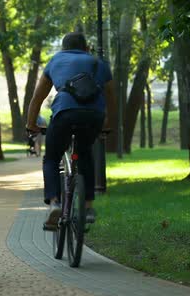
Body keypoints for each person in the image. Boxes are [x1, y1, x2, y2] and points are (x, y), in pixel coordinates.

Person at [26, 32, 117, 231]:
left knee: (51, 158)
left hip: (64, 113)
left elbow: (38, 96)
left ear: (63, 49)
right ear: (86, 48)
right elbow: (111, 96)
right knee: (84, 153)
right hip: (93, 115)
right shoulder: (99, 63)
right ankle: (89, 206)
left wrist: (31, 123)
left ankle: (55, 203)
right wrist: (108, 123)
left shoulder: (55, 61)